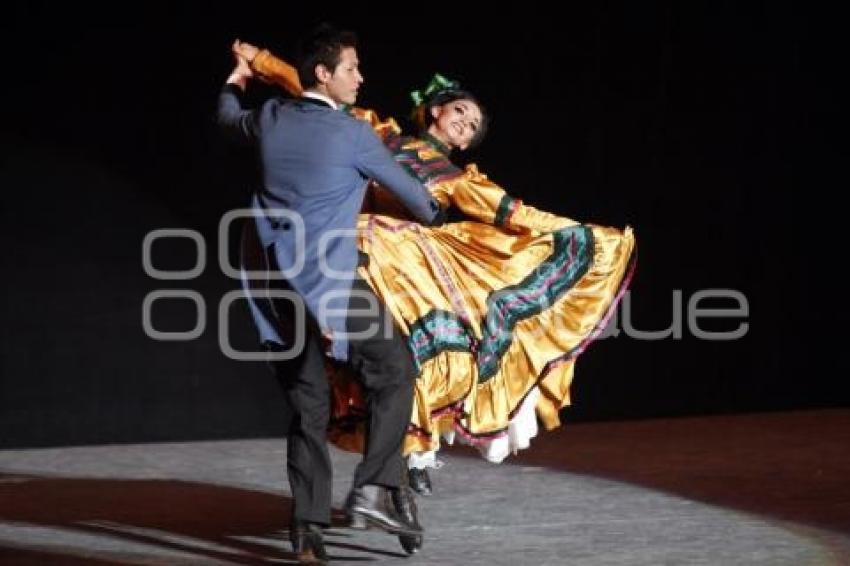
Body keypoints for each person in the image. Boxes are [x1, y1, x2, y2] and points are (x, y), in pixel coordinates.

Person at [234, 41, 637, 497]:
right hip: (343, 250)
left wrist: (581, 232)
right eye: (461, 112)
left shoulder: (459, 179)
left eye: (472, 128)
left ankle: (409, 450)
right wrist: (261, 61)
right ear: (435, 111)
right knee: (339, 362)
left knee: (418, 355)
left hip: (408, 268)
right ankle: (374, 465)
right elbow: (308, 89)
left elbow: (515, 213)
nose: (465, 125)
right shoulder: (376, 133)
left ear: (464, 143)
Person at [218, 26, 443, 562]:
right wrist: (435, 212)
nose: (360, 77)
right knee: (394, 369)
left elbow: (227, 119)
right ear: (323, 73)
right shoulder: (354, 134)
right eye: (351, 68)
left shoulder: (271, 119)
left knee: (308, 405)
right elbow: (416, 198)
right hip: (333, 285)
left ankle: (307, 532)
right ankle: (373, 485)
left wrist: (236, 80)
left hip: (277, 288)